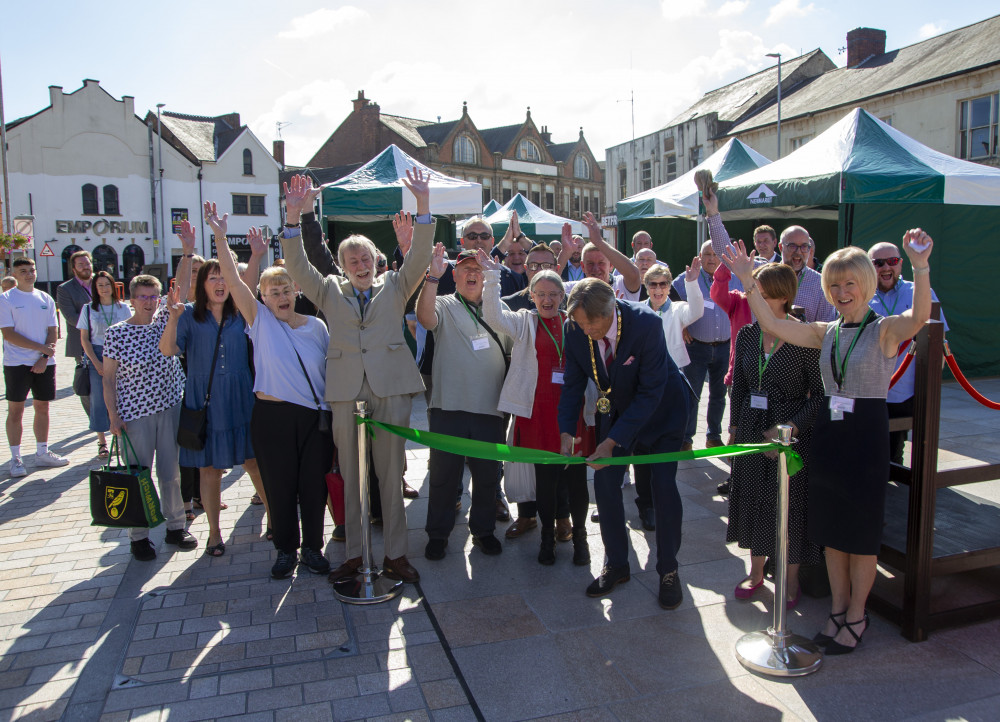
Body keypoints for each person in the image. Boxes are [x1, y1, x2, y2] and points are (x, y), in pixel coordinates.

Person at [724, 229, 933, 654]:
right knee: (833, 533)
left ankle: (857, 615)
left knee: (859, 534)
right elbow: (771, 322)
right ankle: (837, 611)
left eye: (849, 284)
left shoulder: (884, 330)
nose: (841, 292)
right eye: (834, 285)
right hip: (829, 435)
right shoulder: (826, 331)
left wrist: (920, 266)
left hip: (864, 437)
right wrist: (748, 279)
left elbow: (919, 318)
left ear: (866, 286)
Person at [282, 170, 432, 585]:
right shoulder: (328, 288)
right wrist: (294, 217)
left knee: (390, 474)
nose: (360, 265)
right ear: (344, 267)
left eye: (366, 258)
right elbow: (296, 262)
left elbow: (419, 258)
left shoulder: (396, 284)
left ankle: (396, 555)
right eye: (352, 261)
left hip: (391, 387)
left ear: (375, 260)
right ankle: (353, 554)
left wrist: (422, 206)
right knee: (352, 475)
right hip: (347, 390)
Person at [212, 219, 334, 580]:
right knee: (279, 487)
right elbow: (234, 281)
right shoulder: (259, 321)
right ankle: (285, 549)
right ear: (262, 298)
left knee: (313, 485)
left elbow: (328, 374)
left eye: (285, 290)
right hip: (272, 417)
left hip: (315, 420)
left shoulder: (316, 327)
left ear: (296, 290)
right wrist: (220, 237)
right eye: (272, 292)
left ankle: (313, 547)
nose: (280, 297)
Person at [558, 278, 690, 609]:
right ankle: (616, 563)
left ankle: (668, 570)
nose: (585, 329)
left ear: (611, 310)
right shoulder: (574, 329)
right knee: (604, 483)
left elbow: (651, 392)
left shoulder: (645, 324)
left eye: (591, 323)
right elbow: (573, 385)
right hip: (616, 410)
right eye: (579, 322)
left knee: (662, 486)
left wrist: (614, 439)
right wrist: (565, 432)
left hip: (663, 413)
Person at [481, 252, 592, 565]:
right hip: (537, 413)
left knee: (575, 479)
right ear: (531, 296)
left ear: (562, 296)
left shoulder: (575, 324)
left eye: (553, 294)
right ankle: (546, 539)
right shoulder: (524, 322)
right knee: (545, 480)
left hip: (572, 412)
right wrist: (492, 279)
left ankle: (580, 539)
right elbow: (493, 317)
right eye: (540, 294)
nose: (547, 300)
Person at [159, 248, 270, 558]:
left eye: (224, 277)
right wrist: (172, 319)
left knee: (254, 462)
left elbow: (248, 283)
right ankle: (214, 533)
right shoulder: (189, 315)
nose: (220, 283)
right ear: (203, 284)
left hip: (242, 396)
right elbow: (168, 350)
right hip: (205, 401)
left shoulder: (241, 312)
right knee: (209, 469)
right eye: (213, 278)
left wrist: (258, 256)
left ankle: (273, 517)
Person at [726, 262, 824, 607]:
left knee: (787, 506)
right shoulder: (748, 334)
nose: (755, 302)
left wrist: (786, 430)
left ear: (783, 298)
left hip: (789, 434)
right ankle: (755, 573)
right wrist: (734, 429)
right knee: (753, 497)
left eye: (763, 296)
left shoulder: (806, 336)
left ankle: (789, 579)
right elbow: (739, 385)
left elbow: (820, 396)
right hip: (752, 428)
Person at [418, 243, 512, 561]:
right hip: (449, 407)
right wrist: (432, 277)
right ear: (455, 276)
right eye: (465, 270)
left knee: (488, 476)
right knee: (445, 476)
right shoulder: (443, 304)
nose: (472, 274)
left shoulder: (498, 310)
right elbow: (424, 316)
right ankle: (438, 534)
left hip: (490, 410)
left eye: (477, 270)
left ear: (485, 277)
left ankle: (484, 532)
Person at [103, 272, 198, 560]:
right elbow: (108, 378)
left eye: (153, 295)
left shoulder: (165, 322)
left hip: (170, 408)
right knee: (137, 475)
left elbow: (181, 285)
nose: (148, 302)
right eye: (142, 296)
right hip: (135, 415)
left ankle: (175, 527)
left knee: (171, 473)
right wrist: (113, 416)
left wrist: (184, 252)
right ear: (131, 300)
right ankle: (139, 536)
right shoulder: (116, 332)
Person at [499, 242, 574, 543]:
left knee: (562, 462)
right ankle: (527, 515)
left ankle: (562, 516)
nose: (540, 270)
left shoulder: (567, 314)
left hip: (561, 403)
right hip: (529, 399)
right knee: (526, 461)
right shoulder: (514, 303)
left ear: (556, 270)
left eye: (546, 266)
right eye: (534, 266)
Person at [633, 259, 704, 529]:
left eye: (663, 284)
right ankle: (646, 503)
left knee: (667, 446)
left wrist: (692, 282)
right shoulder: (636, 311)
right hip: (645, 388)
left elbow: (697, 310)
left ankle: (663, 499)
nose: (658, 289)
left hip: (673, 387)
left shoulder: (678, 310)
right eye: (653, 284)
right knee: (642, 448)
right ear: (646, 285)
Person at [867, 242, 947, 466]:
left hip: (904, 391)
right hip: (869, 388)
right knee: (868, 448)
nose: (885, 267)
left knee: (894, 450)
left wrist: (931, 388)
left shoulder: (919, 292)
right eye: (878, 263)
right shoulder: (860, 295)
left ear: (900, 263)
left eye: (891, 261)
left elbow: (938, 342)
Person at [705, 192, 836, 324]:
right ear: (780, 247)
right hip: (762, 343)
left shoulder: (820, 283)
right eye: (792, 246)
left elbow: (826, 328)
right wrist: (712, 212)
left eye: (804, 247)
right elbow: (724, 250)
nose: (798, 252)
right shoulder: (762, 272)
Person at [1, 258, 70, 476]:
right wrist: (41, 349)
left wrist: (43, 356)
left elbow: (53, 330)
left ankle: (42, 453)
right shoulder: (6, 299)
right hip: (16, 363)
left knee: (43, 407)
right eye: (24, 271)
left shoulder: (45, 298)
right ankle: (16, 458)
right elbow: (9, 334)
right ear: (15, 273)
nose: (29, 274)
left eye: (32, 270)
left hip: (44, 363)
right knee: (16, 411)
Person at [674, 241, 730, 451]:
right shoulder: (687, 277)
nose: (712, 259)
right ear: (699, 256)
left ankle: (713, 436)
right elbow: (671, 302)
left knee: (719, 395)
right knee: (691, 394)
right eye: (707, 254)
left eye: (716, 254)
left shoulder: (730, 277)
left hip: (724, 346)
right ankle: (686, 439)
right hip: (696, 346)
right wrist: (681, 326)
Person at [78, 271, 133, 459]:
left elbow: (130, 334)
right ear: (95, 288)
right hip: (98, 355)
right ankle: (102, 442)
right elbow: (85, 339)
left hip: (121, 356)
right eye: (99, 285)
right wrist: (97, 363)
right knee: (99, 401)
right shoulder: (88, 309)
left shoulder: (122, 308)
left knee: (121, 398)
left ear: (113, 286)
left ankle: (120, 439)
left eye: (107, 284)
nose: (104, 288)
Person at [557, 212, 642, 301]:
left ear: (611, 266)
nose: (596, 268)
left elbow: (634, 274)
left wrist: (599, 242)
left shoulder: (621, 285)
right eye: (590, 263)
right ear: (583, 266)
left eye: (601, 263)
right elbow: (547, 285)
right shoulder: (576, 289)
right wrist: (565, 253)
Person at [57, 250, 95, 416]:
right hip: (82, 342)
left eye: (87, 263)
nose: (85, 267)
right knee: (87, 381)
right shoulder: (65, 289)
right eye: (81, 264)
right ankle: (93, 417)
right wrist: (96, 326)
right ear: (74, 269)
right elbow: (71, 316)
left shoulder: (101, 282)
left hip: (107, 341)